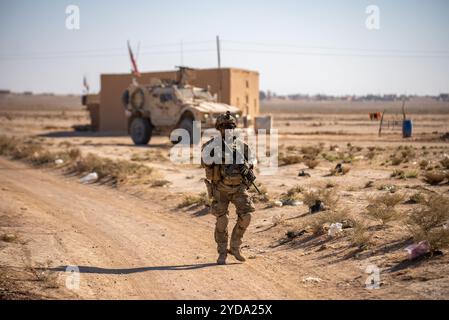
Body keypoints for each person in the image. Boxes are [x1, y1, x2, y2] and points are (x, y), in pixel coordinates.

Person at [201, 111, 255, 265]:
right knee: (222, 220)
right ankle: (222, 251)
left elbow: (251, 162)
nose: (228, 129)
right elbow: (205, 161)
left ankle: (235, 247)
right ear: (219, 128)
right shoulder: (211, 145)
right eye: (225, 126)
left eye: (231, 126)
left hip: (239, 188)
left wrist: (246, 166)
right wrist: (221, 156)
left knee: (247, 217)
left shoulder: (242, 146)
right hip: (221, 188)